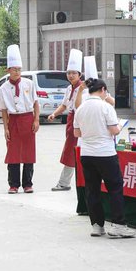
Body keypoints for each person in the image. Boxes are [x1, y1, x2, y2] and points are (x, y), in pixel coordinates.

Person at [75, 78, 136, 238]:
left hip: (86, 153)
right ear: (102, 90)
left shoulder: (80, 108)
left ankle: (97, 225)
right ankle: (118, 225)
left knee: (92, 189)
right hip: (105, 153)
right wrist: (119, 126)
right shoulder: (105, 107)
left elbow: (77, 133)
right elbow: (114, 130)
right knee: (115, 188)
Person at [0, 44, 39, 194]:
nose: (17, 72)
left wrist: (36, 120)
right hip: (13, 120)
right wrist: (6, 128)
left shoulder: (29, 84)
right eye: (14, 69)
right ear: (8, 70)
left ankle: (28, 183)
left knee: (28, 153)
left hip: (27, 119)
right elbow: (3, 110)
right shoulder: (3, 88)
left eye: (19, 69)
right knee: (13, 154)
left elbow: (35, 103)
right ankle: (13, 184)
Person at [47, 48, 84, 192]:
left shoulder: (84, 88)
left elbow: (81, 107)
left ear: (79, 74)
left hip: (81, 121)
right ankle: (66, 182)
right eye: (68, 73)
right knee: (71, 151)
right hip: (71, 121)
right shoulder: (69, 88)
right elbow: (64, 105)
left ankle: (65, 182)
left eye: (74, 73)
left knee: (75, 152)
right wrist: (54, 114)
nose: (70, 75)